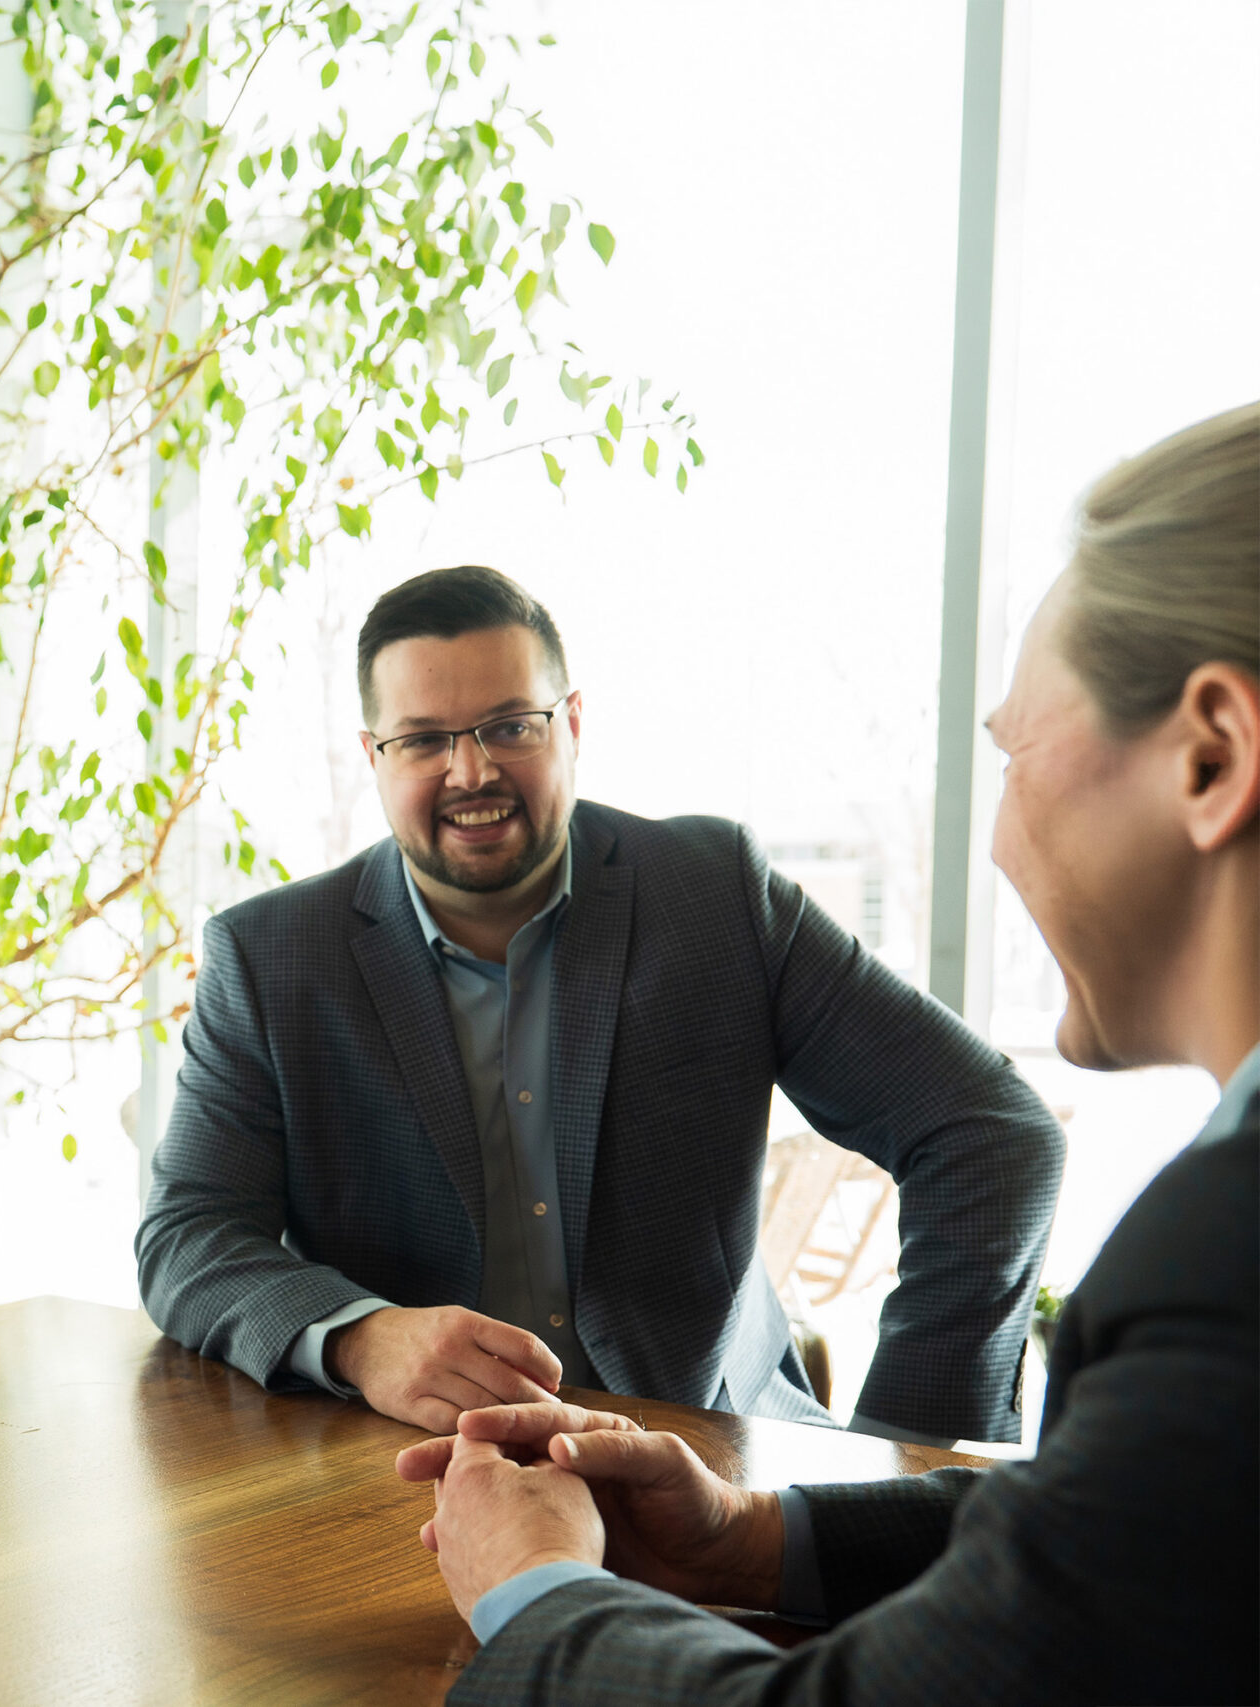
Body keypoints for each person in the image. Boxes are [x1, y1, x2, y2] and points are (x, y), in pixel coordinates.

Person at [404, 401, 1259, 1705]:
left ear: (1213, 755)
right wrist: (752, 1532)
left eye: (1015, 749)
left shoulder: (1224, 1265)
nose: (999, 836)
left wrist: (536, 1592)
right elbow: (1115, 1540)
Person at [137, 564, 1065, 1445]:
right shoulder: (269, 960)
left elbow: (990, 1133)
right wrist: (359, 1337)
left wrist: (901, 1461)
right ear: (373, 755)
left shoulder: (714, 895)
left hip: (720, 1458)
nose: (471, 772)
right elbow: (191, 1235)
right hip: (415, 1478)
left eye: (512, 725)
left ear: (572, 723)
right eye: (424, 739)